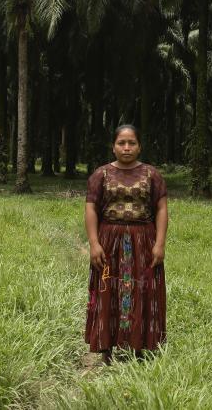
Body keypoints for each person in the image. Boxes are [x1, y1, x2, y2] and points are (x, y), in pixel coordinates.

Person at [84, 124, 168, 364]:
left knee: (144, 290)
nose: (127, 147)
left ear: (139, 146)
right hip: (109, 242)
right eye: (122, 143)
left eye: (132, 143)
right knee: (108, 289)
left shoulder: (152, 175)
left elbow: (161, 209)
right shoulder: (100, 175)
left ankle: (142, 345)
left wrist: (159, 243)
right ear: (113, 146)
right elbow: (91, 208)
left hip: (144, 241)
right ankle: (107, 346)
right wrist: (94, 243)